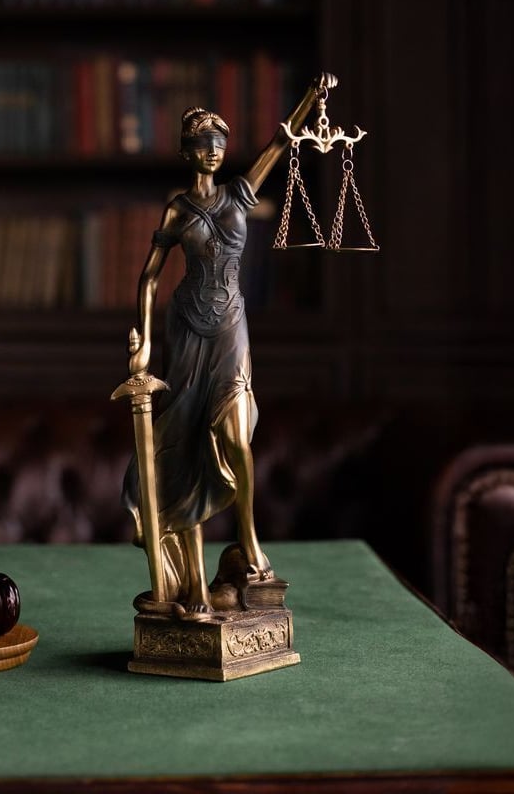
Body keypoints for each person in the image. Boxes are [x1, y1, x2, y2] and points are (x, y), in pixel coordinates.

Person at [122, 71, 337, 619]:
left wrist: (314, 97)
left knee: (237, 435)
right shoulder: (176, 209)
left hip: (231, 328)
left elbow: (282, 139)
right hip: (186, 328)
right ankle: (189, 574)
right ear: (185, 152)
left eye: (219, 145)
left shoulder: (241, 192)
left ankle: (249, 538)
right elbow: (150, 276)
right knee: (190, 438)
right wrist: (143, 337)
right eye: (202, 146)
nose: (213, 153)